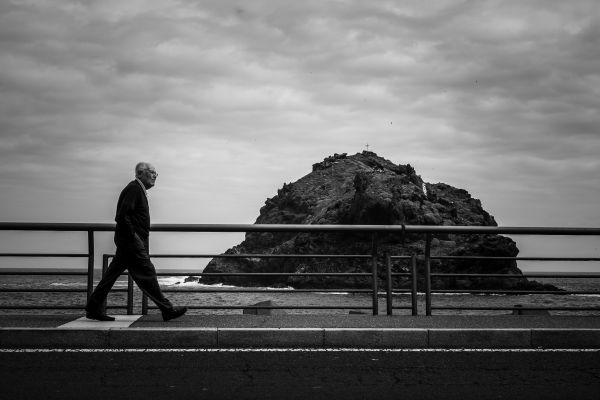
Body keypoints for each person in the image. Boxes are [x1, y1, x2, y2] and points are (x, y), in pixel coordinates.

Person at [85, 162, 187, 322]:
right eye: (152, 172)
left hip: (129, 242)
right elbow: (122, 215)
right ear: (140, 173)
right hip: (131, 242)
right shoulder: (134, 189)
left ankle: (92, 308)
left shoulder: (138, 189)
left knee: (112, 275)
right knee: (147, 273)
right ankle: (167, 309)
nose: (155, 176)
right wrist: (134, 237)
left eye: (156, 173)